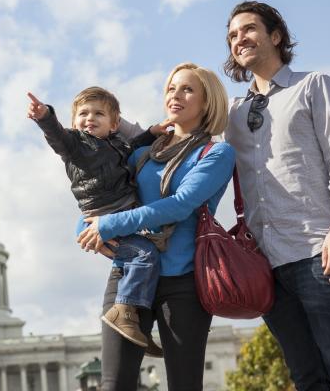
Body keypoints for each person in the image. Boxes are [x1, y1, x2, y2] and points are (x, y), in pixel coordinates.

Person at [224, 0, 330, 390]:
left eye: (248, 29)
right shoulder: (232, 114)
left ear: (275, 36)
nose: (239, 39)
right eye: (232, 35)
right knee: (307, 378)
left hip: (317, 253)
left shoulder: (314, 86)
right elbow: (183, 132)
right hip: (265, 266)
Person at [76, 63, 235, 391]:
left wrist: (109, 225)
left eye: (188, 89)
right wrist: (86, 226)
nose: (176, 95)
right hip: (128, 276)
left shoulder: (216, 153)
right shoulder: (142, 153)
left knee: (184, 384)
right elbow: (103, 192)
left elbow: (178, 206)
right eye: (171, 88)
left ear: (207, 103)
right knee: (114, 384)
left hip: (183, 283)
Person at [26, 87, 170, 351]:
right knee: (145, 255)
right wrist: (45, 117)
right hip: (104, 217)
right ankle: (123, 310)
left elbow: (134, 145)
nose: (89, 118)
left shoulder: (117, 144)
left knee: (142, 260)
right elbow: (56, 136)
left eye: (98, 114)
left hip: (121, 215)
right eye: (83, 113)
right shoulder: (75, 146)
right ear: (73, 122)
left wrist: (152, 133)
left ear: (114, 124)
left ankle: (136, 323)